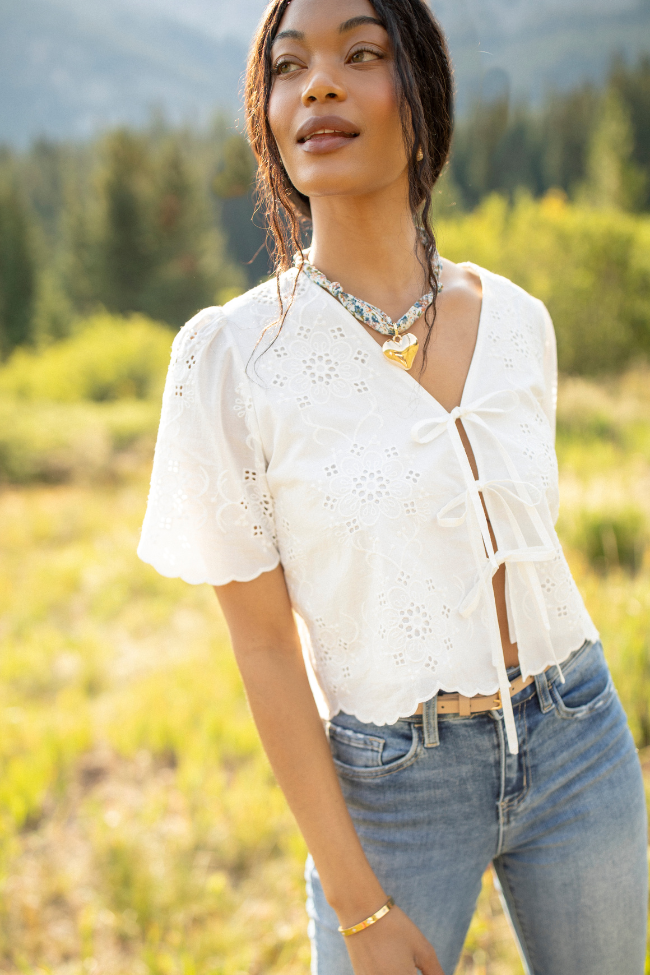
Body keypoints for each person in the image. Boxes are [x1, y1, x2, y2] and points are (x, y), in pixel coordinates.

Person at [137, 0, 648, 972]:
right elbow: (262, 648)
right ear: (266, 110)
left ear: (422, 89)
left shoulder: (516, 320)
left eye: (359, 54)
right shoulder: (233, 361)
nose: (317, 84)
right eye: (289, 67)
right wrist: (357, 903)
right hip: (393, 782)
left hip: (578, 734)